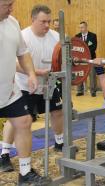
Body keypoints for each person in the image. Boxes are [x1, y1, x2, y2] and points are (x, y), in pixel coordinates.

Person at [1, 3, 64, 173]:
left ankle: (59, 143)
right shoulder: (25, 35)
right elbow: (14, 63)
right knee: (15, 121)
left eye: (49, 22)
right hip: (23, 86)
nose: (47, 25)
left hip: (43, 84)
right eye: (43, 21)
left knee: (52, 113)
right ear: (33, 20)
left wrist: (35, 73)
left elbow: (24, 54)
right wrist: (34, 73)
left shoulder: (55, 37)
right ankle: (5, 153)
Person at [75, 21, 97, 97]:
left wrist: (85, 54)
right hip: (81, 59)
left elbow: (94, 48)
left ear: (86, 27)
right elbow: (76, 48)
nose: (81, 29)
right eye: (80, 27)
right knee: (80, 74)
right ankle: (80, 91)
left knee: (92, 75)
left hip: (91, 58)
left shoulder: (93, 36)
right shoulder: (77, 36)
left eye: (82, 27)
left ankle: (93, 91)